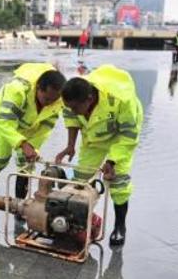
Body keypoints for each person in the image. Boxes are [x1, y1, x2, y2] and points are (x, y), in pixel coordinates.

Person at [55, 64, 143, 247]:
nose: (71, 111)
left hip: (120, 137)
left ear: (90, 98)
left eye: (75, 108)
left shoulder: (121, 100)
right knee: (80, 180)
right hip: (94, 138)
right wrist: (70, 146)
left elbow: (128, 136)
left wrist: (112, 160)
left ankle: (120, 227)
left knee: (118, 182)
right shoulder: (71, 98)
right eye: (68, 107)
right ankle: (76, 223)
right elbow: (71, 119)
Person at [0, 63, 67, 203]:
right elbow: (4, 123)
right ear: (38, 88)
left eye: (53, 100)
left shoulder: (58, 100)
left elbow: (47, 126)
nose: (49, 104)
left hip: (31, 125)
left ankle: (20, 205)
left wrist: (31, 146)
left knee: (26, 164)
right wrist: (22, 144)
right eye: (46, 99)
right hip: (5, 120)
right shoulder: (17, 90)